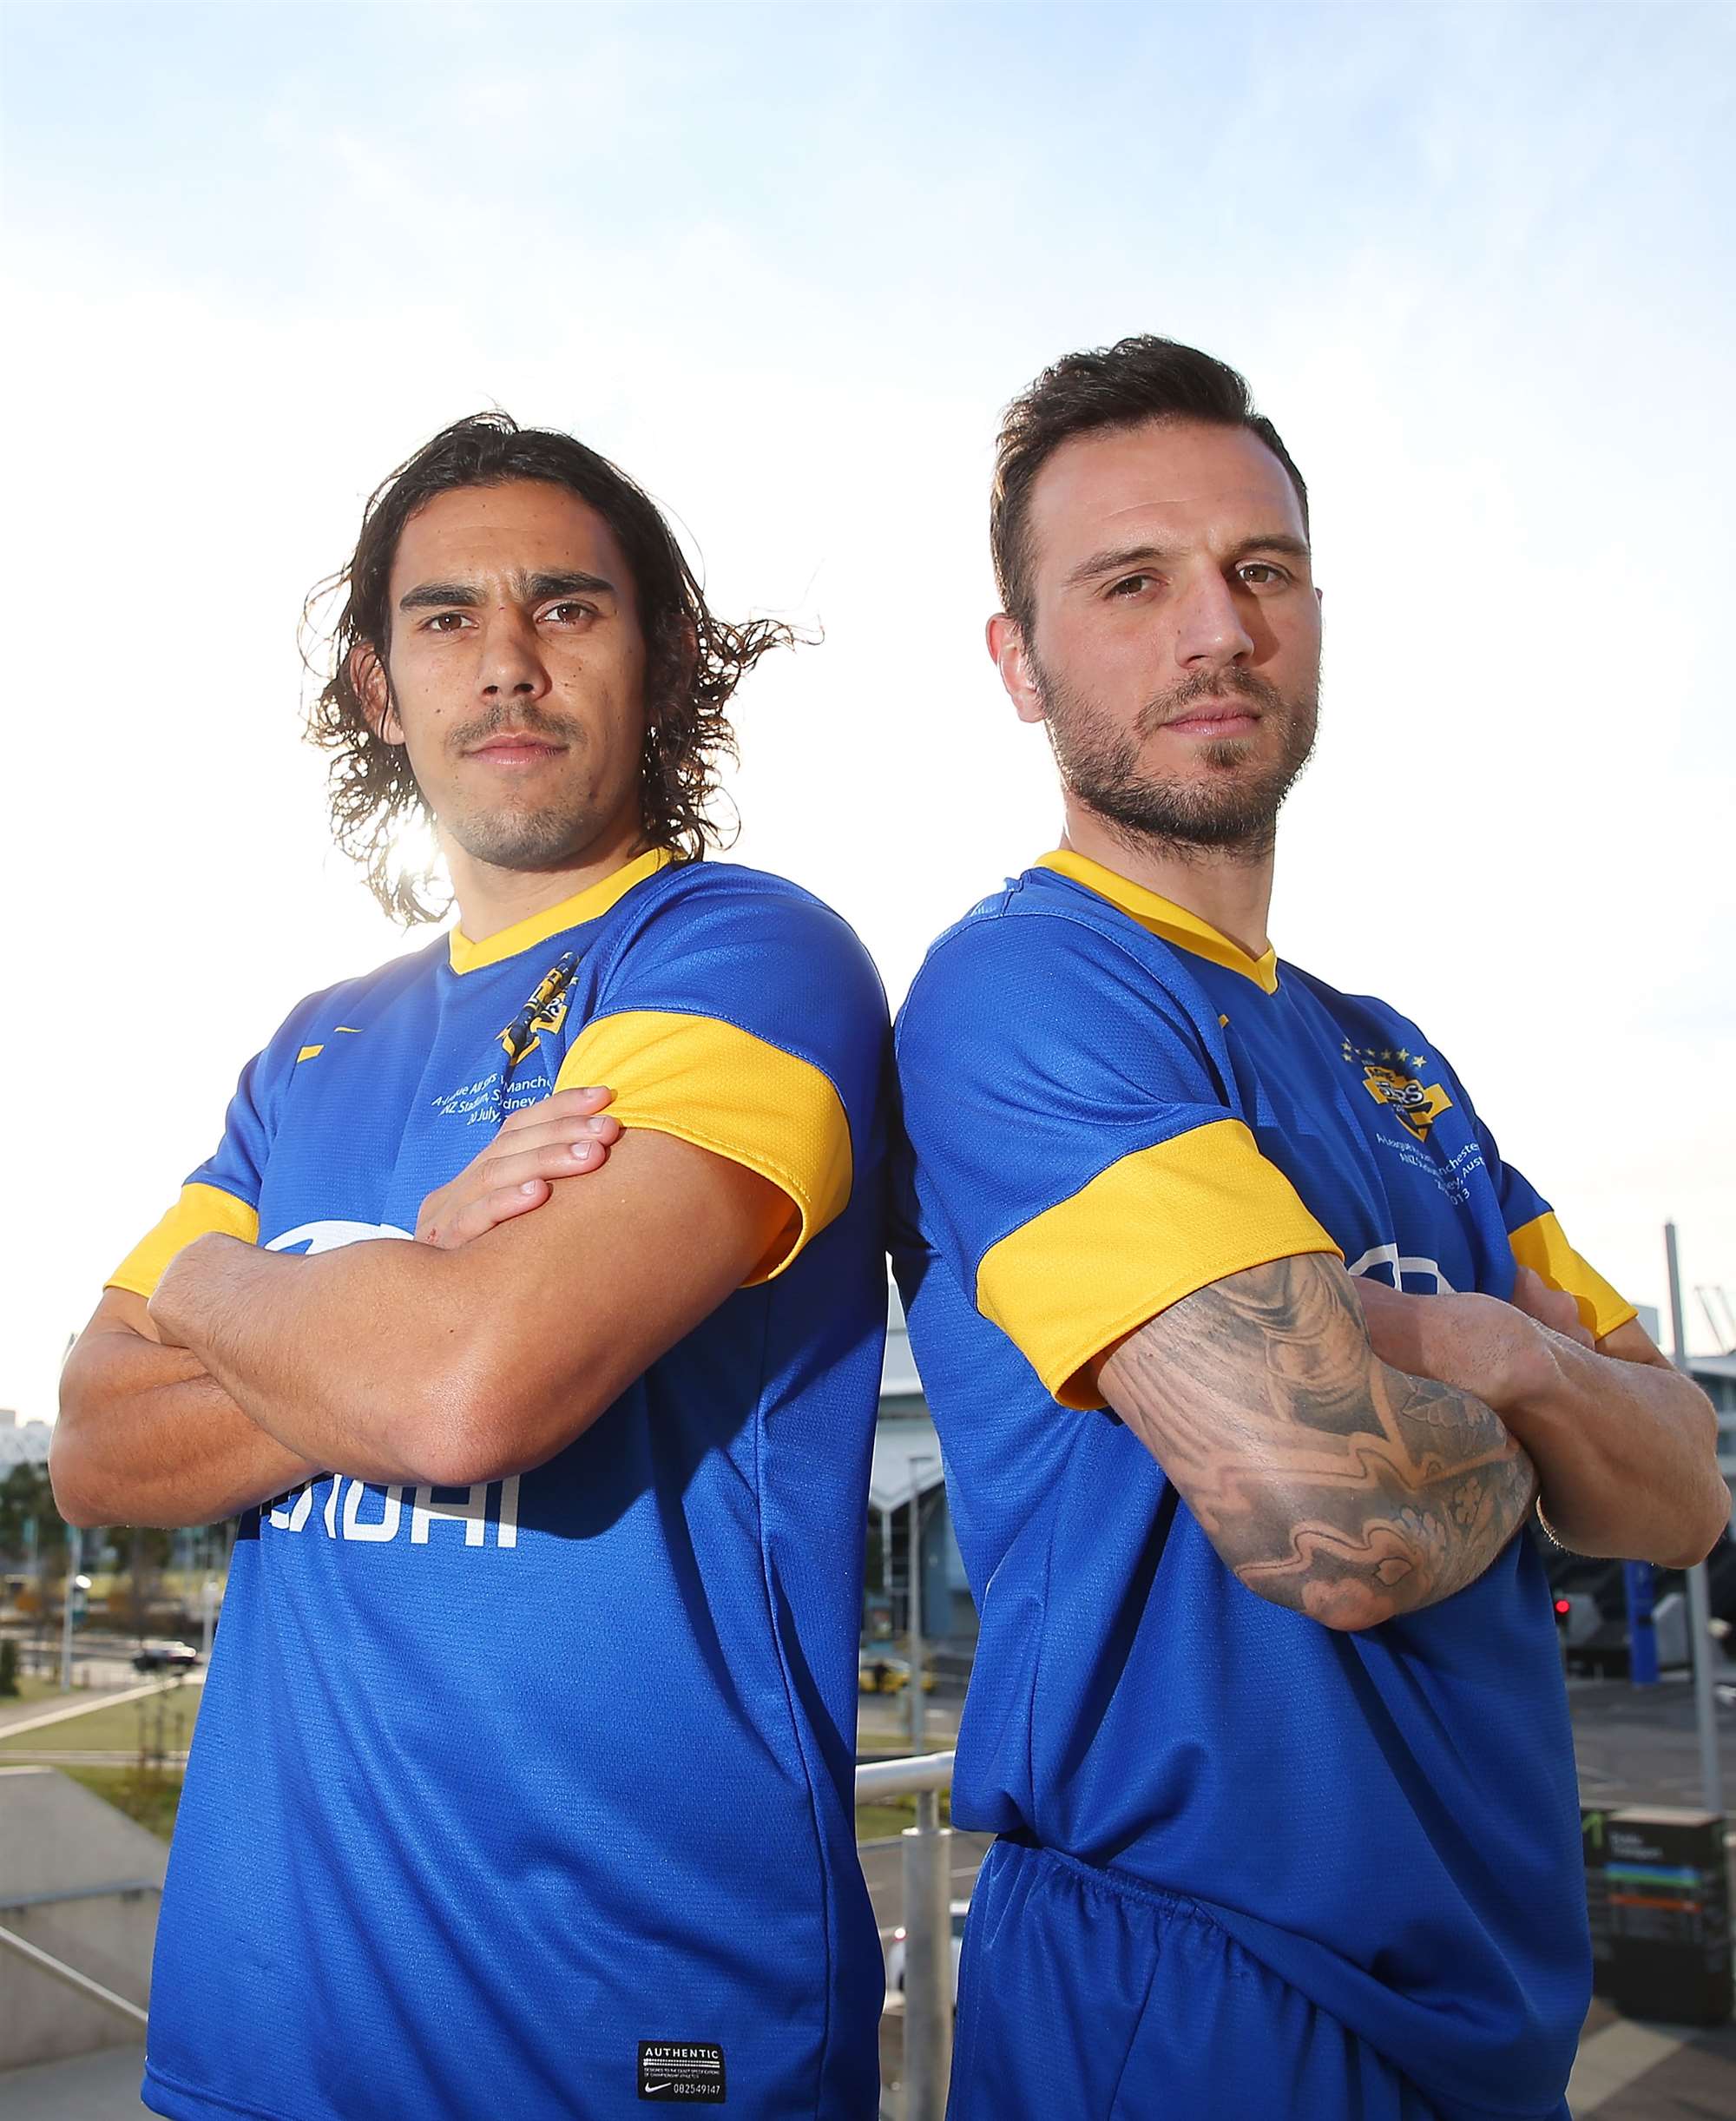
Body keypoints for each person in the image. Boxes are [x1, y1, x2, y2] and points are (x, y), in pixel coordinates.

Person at [891, 338, 1726, 2121]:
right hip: (1198, 1988)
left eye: (1259, 570)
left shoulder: (1390, 1056)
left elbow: (1685, 1495)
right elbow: (1331, 1520)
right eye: (1132, 583)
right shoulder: (1027, 988)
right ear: (1017, 661)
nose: (1218, 631)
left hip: (1490, 2000)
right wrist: (1554, 1398)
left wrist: (1486, 1358)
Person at [55, 414, 889, 2121]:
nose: (506, 660)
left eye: (566, 607)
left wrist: (219, 1291)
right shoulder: (313, 1044)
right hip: (258, 2033)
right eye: (445, 619)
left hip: (626, 2035)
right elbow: (95, 1447)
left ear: (664, 658)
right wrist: (403, 1276)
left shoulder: (745, 956)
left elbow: (464, 1392)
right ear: (378, 687)